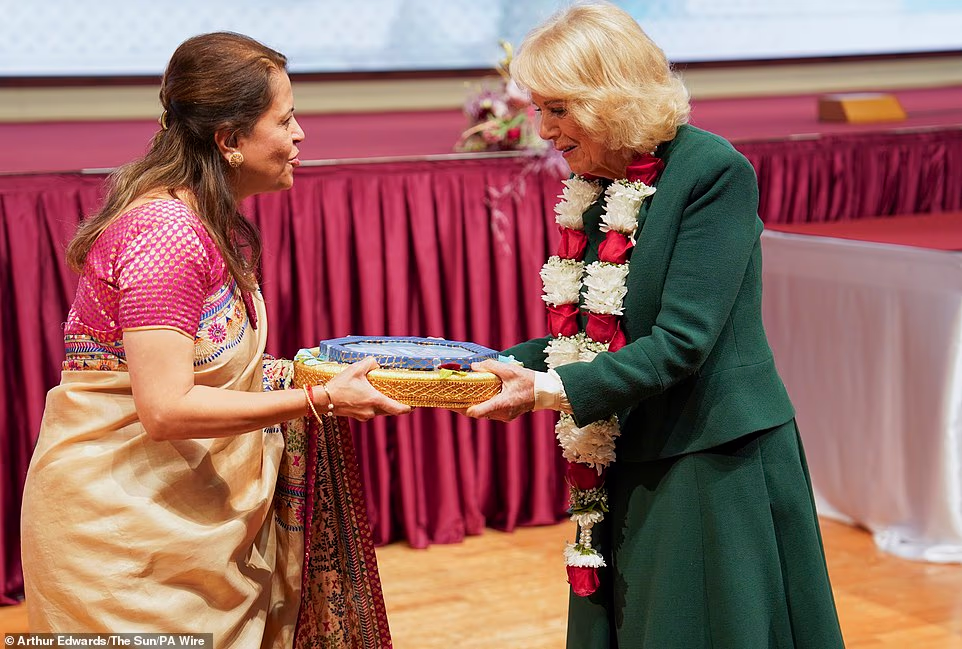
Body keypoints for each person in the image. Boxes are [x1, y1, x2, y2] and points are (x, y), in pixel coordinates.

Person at [465, 3, 846, 648]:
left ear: (612, 97)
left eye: (559, 109)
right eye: (539, 110)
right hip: (632, 451)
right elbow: (588, 334)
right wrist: (495, 368)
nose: (546, 130)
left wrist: (548, 390)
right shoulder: (595, 180)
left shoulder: (713, 173)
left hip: (710, 460)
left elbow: (680, 345)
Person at [20, 32, 409, 647]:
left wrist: (305, 374)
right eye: (285, 120)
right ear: (230, 140)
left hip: (183, 532)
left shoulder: (203, 221)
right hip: (122, 549)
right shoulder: (166, 235)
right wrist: (318, 400)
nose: (300, 135)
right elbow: (166, 408)